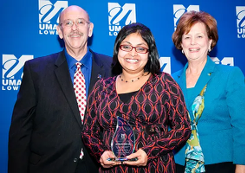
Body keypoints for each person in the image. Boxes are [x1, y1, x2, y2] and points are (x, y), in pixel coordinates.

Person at [8, 5, 112, 173]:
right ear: (60, 31)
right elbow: (20, 132)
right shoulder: (35, 71)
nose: (75, 28)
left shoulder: (113, 68)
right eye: (68, 23)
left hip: (99, 168)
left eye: (80, 22)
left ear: (90, 28)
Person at [81, 22, 191, 173]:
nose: (132, 53)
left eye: (140, 48)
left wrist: (149, 151)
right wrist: (100, 152)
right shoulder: (101, 87)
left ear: (149, 52)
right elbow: (88, 131)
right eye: (126, 47)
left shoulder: (164, 83)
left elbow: (183, 127)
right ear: (117, 49)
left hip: (155, 167)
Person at [171, 11, 245, 173]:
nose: (193, 42)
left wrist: (241, 169)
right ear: (181, 44)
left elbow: (242, 127)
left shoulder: (230, 75)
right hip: (180, 164)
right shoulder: (171, 81)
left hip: (221, 165)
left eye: (199, 36)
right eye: (187, 37)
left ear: (210, 41)